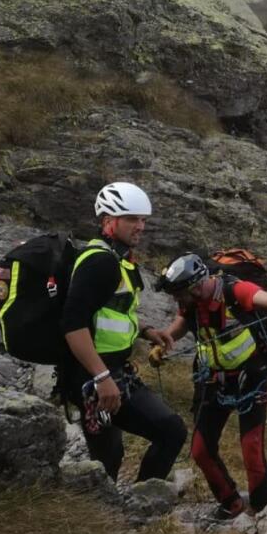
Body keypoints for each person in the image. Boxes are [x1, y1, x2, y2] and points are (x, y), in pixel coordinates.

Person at [153, 253, 267, 518]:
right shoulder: (192, 301)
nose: (177, 300)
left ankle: (263, 512)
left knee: (251, 449)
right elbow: (184, 321)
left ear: (195, 287)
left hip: (250, 379)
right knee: (200, 450)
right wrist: (165, 342)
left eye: (179, 295)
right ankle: (231, 503)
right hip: (213, 380)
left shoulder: (234, 289)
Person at [60, 182, 187, 481]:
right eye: (132, 219)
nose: (140, 226)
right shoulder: (100, 262)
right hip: (94, 377)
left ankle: (121, 508)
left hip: (110, 371)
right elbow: (72, 324)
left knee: (111, 453)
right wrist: (101, 377)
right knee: (163, 433)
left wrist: (146, 331)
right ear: (108, 221)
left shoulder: (116, 258)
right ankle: (126, 509)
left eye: (143, 219)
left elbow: (108, 310)